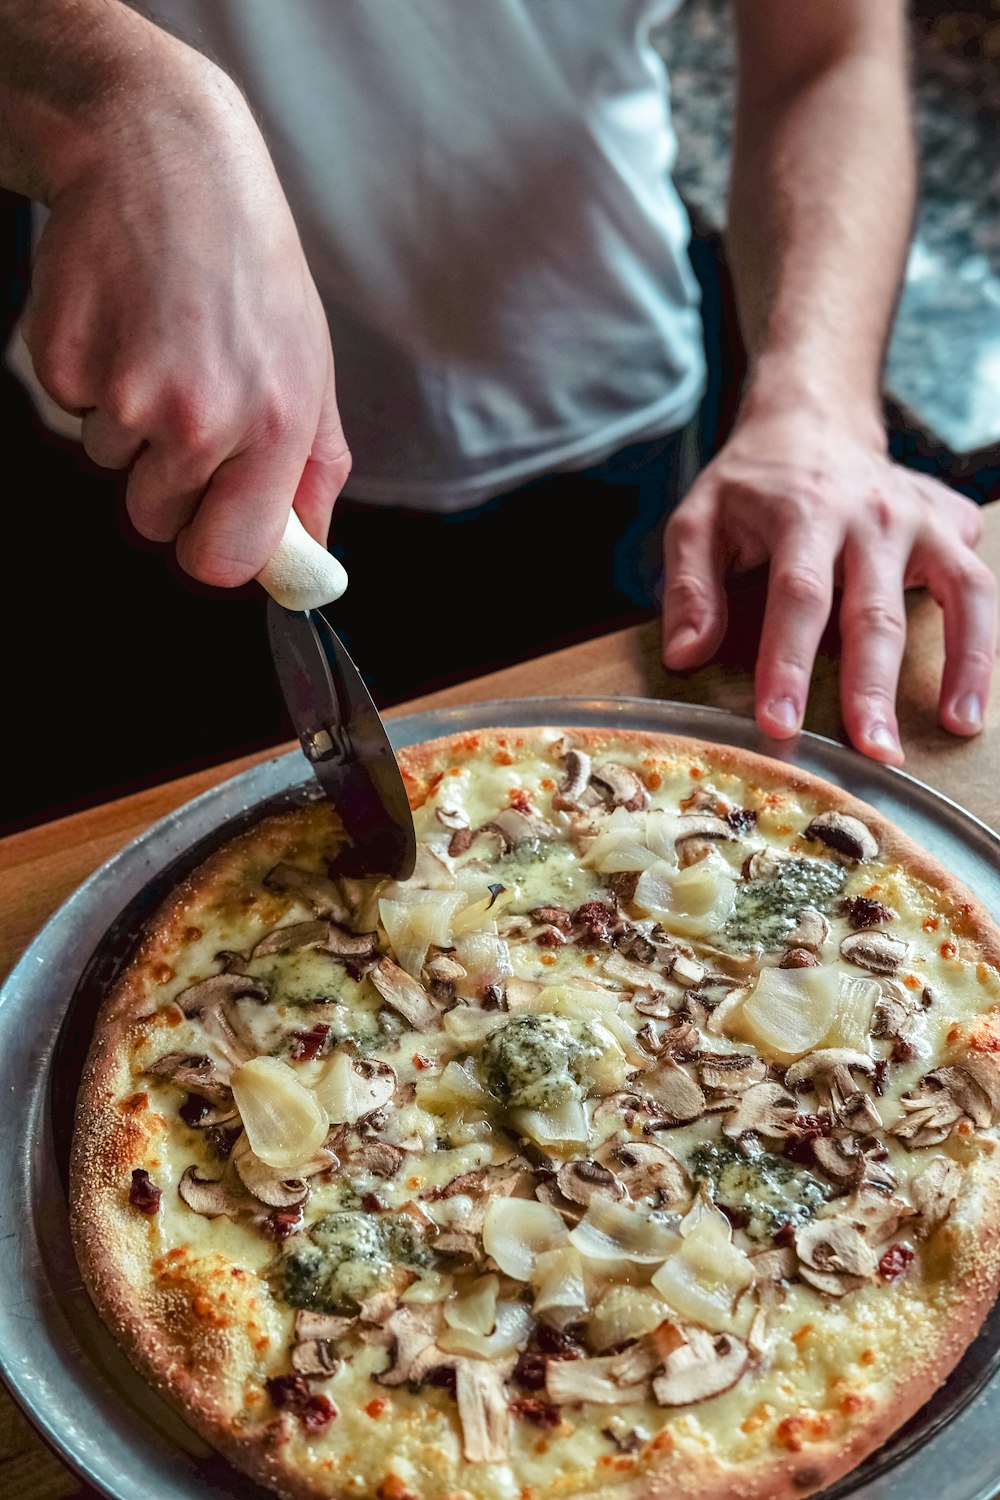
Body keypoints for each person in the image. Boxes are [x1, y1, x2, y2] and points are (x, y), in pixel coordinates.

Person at [0, 0, 994, 769]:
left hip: (600, 444)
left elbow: (827, 54)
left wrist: (818, 401)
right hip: (138, 440)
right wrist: (111, 90)